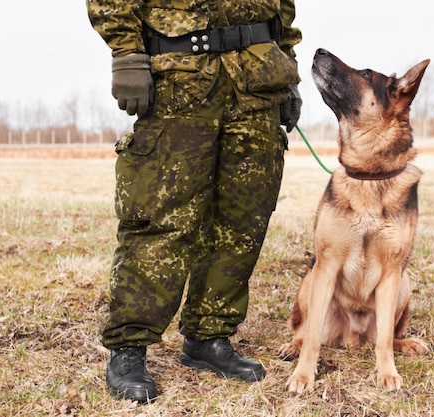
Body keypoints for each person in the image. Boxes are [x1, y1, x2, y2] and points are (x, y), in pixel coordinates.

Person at [86, 0, 302, 403]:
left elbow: (283, 7)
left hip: (256, 85)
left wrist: (287, 68)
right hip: (180, 81)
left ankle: (208, 337)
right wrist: (128, 54)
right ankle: (129, 348)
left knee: (242, 220)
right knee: (160, 219)